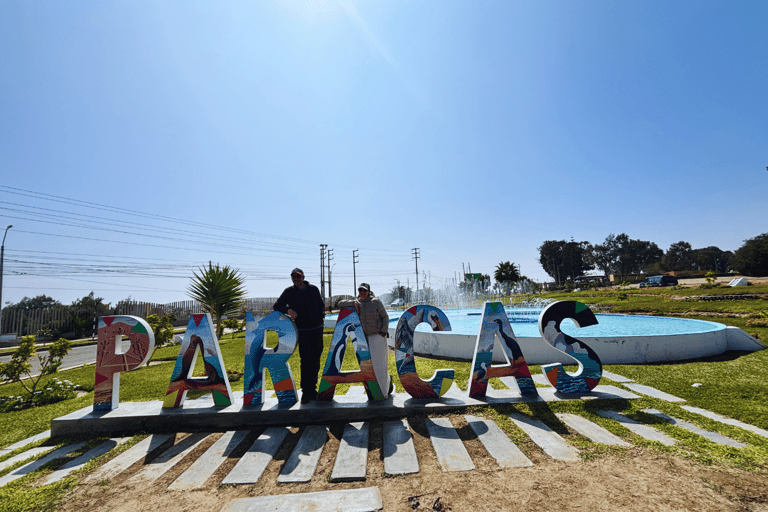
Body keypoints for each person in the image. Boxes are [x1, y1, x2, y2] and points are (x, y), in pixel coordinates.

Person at [273, 268, 325, 403]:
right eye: (293, 277)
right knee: (306, 361)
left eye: (298, 276)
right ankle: (306, 392)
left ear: (303, 277)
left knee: (315, 361)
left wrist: (321, 317)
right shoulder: (289, 292)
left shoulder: (313, 289)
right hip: (303, 331)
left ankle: (313, 389)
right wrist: (288, 309)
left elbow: (321, 305)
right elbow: (277, 305)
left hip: (317, 329)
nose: (296, 279)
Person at [338, 283, 394, 398]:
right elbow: (340, 304)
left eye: (364, 290)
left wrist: (383, 331)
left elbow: (385, 317)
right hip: (364, 338)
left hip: (377, 336)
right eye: (360, 290)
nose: (362, 292)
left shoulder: (376, 302)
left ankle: (384, 391)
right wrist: (353, 303)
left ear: (369, 291)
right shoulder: (357, 302)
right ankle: (374, 389)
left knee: (380, 364)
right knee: (369, 365)